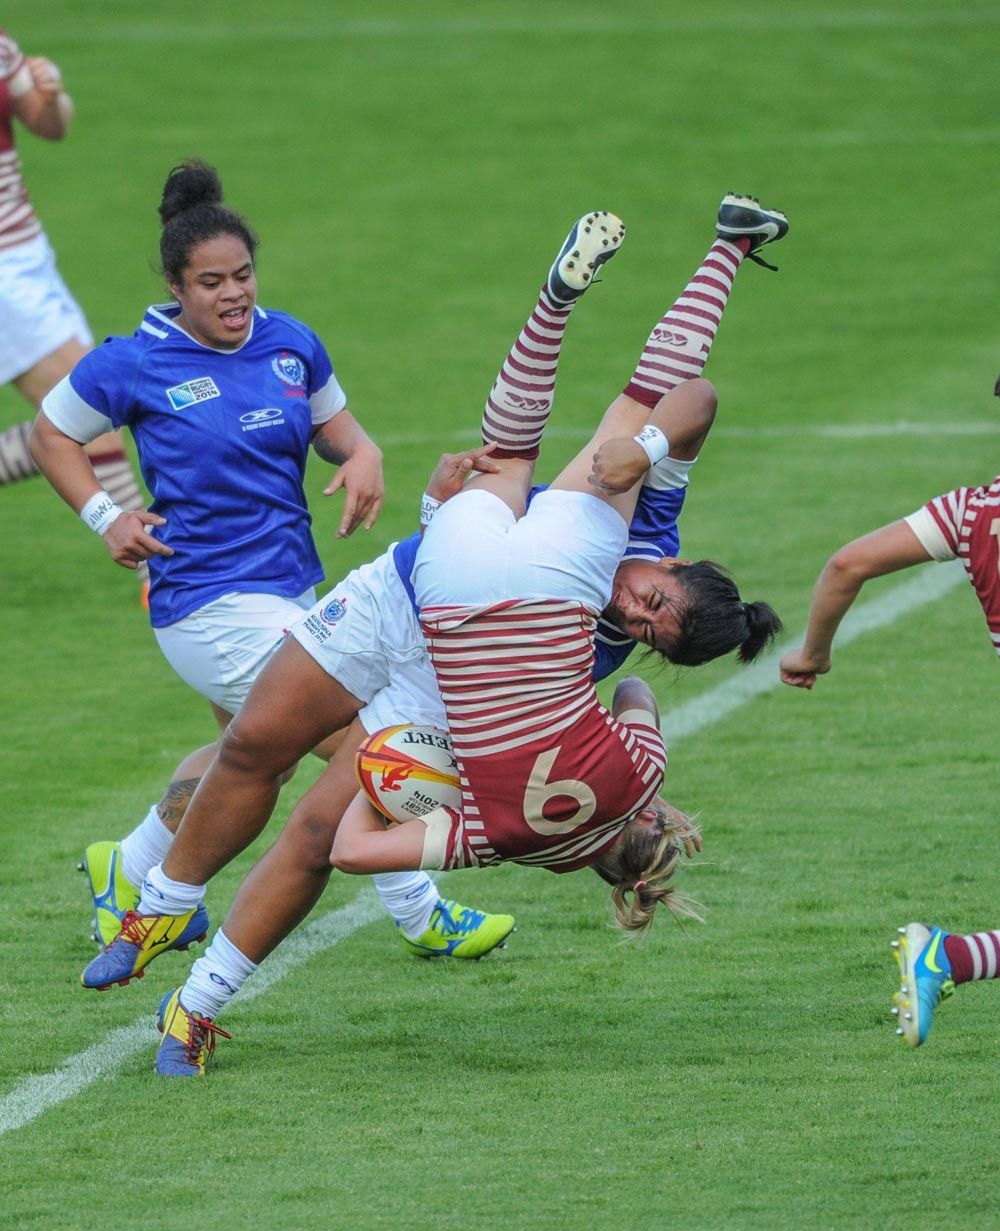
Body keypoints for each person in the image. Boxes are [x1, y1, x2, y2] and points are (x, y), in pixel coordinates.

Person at [76, 196, 784, 1075]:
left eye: (649, 635)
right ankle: (163, 906)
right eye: (652, 600)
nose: (635, 613)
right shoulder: (642, 515)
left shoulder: (597, 631)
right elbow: (681, 388)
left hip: (450, 691)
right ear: (677, 567)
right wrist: (719, 269)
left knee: (312, 836)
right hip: (402, 599)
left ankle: (197, 1005)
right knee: (256, 738)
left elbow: (614, 709)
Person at [30, 158, 510, 964]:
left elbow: (342, 431)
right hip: (208, 604)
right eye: (211, 282)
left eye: (243, 275)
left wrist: (363, 458)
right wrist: (105, 515)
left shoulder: (290, 345)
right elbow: (52, 435)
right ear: (177, 288)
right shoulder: (136, 360)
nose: (233, 294)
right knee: (367, 745)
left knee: (246, 761)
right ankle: (419, 909)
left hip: (293, 589)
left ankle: (131, 865)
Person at [778, 445, 1000, 1046]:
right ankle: (947, 958)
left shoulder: (973, 510)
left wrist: (813, 654)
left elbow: (848, 564)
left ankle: (951, 958)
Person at [0, 30, 147, 581]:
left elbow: (48, 124)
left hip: (29, 255)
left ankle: (154, 573)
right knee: (92, 410)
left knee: (83, 416)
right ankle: (154, 576)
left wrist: (53, 94)